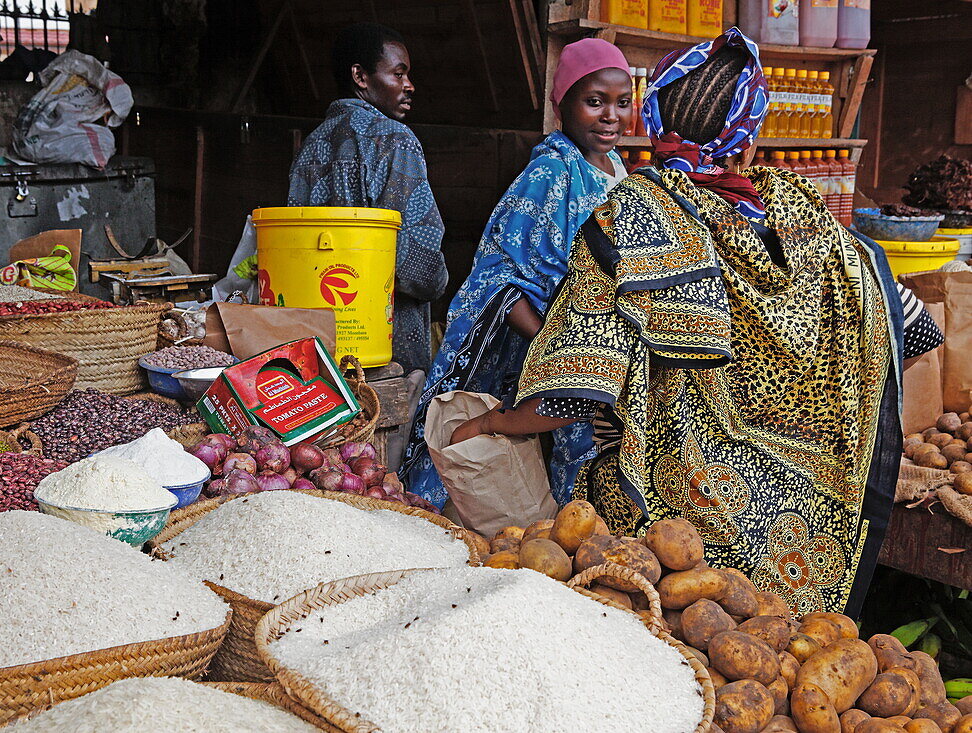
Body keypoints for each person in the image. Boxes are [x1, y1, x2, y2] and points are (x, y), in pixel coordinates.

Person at [450, 29, 942, 616]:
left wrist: (490, 425)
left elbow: (579, 382)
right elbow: (913, 332)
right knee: (783, 662)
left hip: (673, 527)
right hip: (810, 527)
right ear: (749, 126)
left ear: (655, 113)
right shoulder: (800, 212)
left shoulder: (636, 215)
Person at [401, 39, 633, 509]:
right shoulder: (549, 174)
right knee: (504, 467)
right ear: (561, 104)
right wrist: (555, 346)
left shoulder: (617, 168)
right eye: (594, 102)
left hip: (596, 349)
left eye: (622, 103)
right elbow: (498, 277)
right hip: (544, 347)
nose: (611, 116)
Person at [288, 22, 448, 379]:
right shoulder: (395, 140)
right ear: (360, 76)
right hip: (385, 350)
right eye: (399, 73)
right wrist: (438, 279)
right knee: (385, 426)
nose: (409, 86)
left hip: (317, 344)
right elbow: (417, 267)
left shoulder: (311, 145)